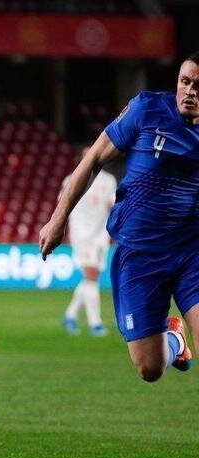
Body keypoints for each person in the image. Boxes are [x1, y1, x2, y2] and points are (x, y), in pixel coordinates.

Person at [40, 50, 199, 382]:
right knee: (149, 368)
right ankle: (175, 341)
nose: (189, 91)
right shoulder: (148, 109)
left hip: (191, 254)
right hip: (140, 255)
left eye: (198, 86)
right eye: (185, 82)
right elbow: (96, 156)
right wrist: (58, 219)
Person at [61, 149, 116, 337]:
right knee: (91, 276)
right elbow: (63, 206)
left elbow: (113, 205)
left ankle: (70, 315)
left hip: (101, 236)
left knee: (91, 278)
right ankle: (95, 323)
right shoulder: (72, 179)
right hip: (82, 234)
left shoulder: (108, 181)